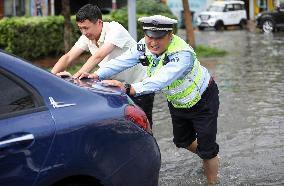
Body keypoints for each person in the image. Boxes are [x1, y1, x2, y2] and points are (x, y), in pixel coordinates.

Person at [80, 15, 220, 184]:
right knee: (182, 141)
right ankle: (209, 156)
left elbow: (161, 79)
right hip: (177, 101)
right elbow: (122, 61)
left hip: (203, 100)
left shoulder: (182, 54)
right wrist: (96, 74)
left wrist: (128, 88)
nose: (153, 42)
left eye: (159, 37)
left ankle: (212, 178)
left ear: (170, 35)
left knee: (207, 148)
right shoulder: (143, 46)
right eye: (149, 36)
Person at [51, 4, 155, 126]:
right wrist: (50, 78)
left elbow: (98, 56)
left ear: (99, 22)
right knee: (119, 126)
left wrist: (75, 81)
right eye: (80, 28)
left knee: (142, 126)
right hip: (114, 87)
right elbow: (68, 57)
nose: (84, 32)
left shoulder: (115, 29)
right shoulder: (87, 36)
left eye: (86, 28)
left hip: (137, 85)